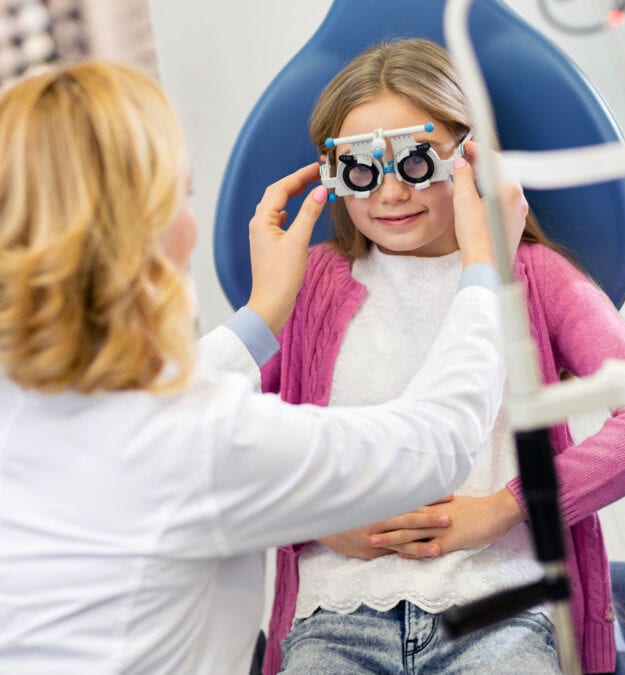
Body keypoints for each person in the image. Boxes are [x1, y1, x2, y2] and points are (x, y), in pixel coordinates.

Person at [0, 60, 524, 673]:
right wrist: (487, 272)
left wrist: (261, 316)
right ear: (148, 231)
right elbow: (436, 444)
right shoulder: (205, 441)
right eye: (181, 199)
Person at [263, 38, 625, 675]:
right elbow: (226, 439)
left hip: (500, 608)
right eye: (361, 168)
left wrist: (505, 509)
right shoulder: (309, 285)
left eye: (414, 162)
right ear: (333, 175)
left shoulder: (533, 277)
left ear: (467, 160)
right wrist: (320, 518)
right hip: (336, 617)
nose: (388, 193)